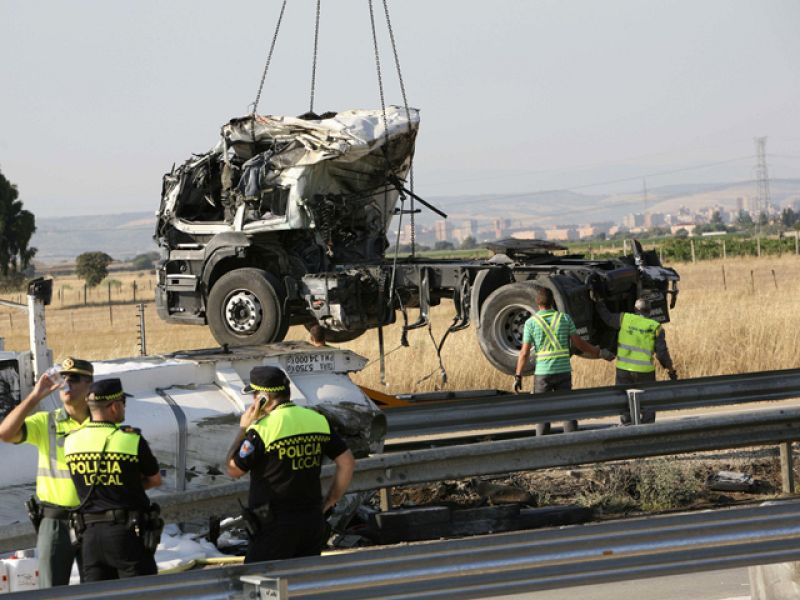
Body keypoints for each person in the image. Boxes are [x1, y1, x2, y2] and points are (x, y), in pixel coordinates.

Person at [226, 365, 355, 563]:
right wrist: (330, 500)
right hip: (312, 521)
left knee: (260, 588)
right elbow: (347, 462)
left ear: (263, 399)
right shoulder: (318, 420)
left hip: (273, 527)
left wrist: (243, 429)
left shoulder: (262, 429)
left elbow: (233, 469)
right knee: (302, 585)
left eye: (254, 395)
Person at [0, 357, 93, 588]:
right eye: (64, 378)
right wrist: (34, 396)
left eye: (75, 378)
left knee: (97, 589)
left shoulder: (101, 424)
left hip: (93, 519)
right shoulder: (47, 422)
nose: (67, 383)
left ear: (90, 385)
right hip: (55, 521)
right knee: (50, 590)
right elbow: (5, 433)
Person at [63, 378, 163, 581]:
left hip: (89, 537)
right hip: (125, 535)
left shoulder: (71, 442)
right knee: (141, 594)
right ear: (114, 406)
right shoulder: (130, 440)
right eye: (123, 403)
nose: (124, 408)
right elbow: (155, 481)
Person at [513, 286, 608, 435]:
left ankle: (542, 445)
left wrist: (518, 375)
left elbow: (524, 353)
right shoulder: (564, 318)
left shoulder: (531, 323)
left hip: (543, 373)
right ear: (553, 302)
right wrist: (599, 352)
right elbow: (579, 344)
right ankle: (571, 443)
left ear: (537, 303)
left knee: (542, 413)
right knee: (567, 410)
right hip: (563, 371)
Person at [595, 297, 677, 424]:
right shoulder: (655, 327)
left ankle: (627, 429)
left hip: (624, 370)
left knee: (623, 403)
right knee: (648, 403)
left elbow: (607, 318)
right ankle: (647, 432)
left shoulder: (624, 319)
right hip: (645, 372)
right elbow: (662, 354)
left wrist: (598, 301)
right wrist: (670, 370)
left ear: (635, 309)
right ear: (649, 311)